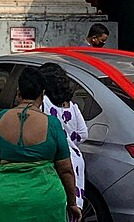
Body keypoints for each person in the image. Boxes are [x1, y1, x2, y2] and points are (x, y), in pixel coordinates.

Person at [0, 68, 80, 222]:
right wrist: (72, 203)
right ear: (42, 94)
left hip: (5, 199)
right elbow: (66, 170)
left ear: (18, 92)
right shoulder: (52, 124)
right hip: (45, 199)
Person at [38, 64, 89, 214]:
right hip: (76, 161)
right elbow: (83, 133)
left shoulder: (43, 104)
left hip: (54, 161)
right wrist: (70, 141)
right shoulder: (73, 107)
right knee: (74, 206)